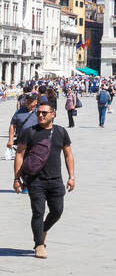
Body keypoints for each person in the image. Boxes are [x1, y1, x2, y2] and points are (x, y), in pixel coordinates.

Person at [13, 99, 75, 259]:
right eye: (38, 112)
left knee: (57, 211)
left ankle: (43, 230)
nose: (40, 115)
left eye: (44, 113)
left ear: (52, 115)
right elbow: (19, 153)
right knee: (38, 212)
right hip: (35, 180)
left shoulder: (61, 132)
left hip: (55, 180)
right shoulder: (29, 132)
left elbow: (68, 154)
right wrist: (17, 178)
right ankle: (39, 244)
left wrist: (71, 176)